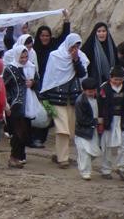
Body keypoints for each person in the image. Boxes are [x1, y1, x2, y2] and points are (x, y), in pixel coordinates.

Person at [40, 33, 89, 168]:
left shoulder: (80, 57)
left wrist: (75, 60)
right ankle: (63, 159)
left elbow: (82, 74)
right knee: (63, 129)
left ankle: (59, 154)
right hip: (56, 98)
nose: (74, 49)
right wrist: (44, 97)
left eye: (77, 46)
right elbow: (49, 77)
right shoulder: (55, 56)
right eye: (73, 46)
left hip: (72, 98)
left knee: (70, 129)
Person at [32, 9, 71, 145]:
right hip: (36, 85)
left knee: (48, 111)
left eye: (47, 35)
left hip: (50, 85)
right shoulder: (34, 49)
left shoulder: (54, 46)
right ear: (38, 36)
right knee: (36, 110)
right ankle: (34, 137)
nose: (45, 38)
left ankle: (41, 137)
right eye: (42, 35)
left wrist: (67, 20)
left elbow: (65, 37)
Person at [3, 46, 40, 168]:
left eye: (26, 57)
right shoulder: (10, 69)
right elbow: (5, 87)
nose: (24, 60)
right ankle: (14, 157)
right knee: (18, 131)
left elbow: (38, 83)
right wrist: (8, 102)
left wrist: (33, 83)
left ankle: (19, 156)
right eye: (21, 57)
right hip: (16, 105)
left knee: (25, 132)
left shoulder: (32, 67)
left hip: (29, 104)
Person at [98, 65, 124, 181]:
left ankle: (122, 168)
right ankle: (106, 169)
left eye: (120, 79)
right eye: (115, 79)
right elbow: (100, 107)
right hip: (109, 121)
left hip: (123, 120)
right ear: (110, 78)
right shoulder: (104, 88)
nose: (118, 82)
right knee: (108, 146)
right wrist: (100, 122)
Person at [74, 77, 101, 180]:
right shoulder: (80, 101)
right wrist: (96, 121)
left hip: (94, 130)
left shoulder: (98, 98)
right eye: (89, 91)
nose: (92, 93)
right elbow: (81, 119)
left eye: (94, 91)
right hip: (82, 131)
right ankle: (85, 172)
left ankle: (82, 163)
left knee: (94, 152)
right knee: (84, 151)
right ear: (84, 90)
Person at [82, 22, 118, 87]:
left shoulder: (112, 47)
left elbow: (117, 64)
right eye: (99, 31)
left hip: (112, 83)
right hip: (94, 83)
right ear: (95, 33)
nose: (101, 33)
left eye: (104, 31)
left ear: (107, 32)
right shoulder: (89, 47)